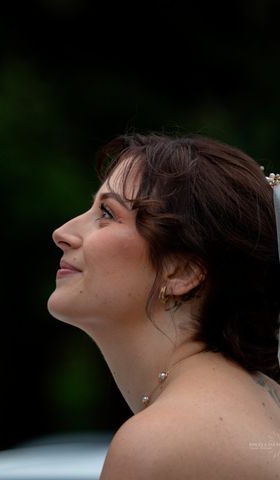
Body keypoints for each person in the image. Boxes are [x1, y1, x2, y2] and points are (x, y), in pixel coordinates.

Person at [47, 133, 280, 479]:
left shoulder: (163, 442)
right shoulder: (261, 403)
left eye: (107, 213)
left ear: (182, 271)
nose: (62, 232)